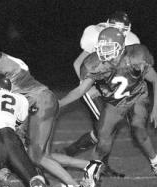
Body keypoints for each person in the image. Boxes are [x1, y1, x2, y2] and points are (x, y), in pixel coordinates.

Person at [0, 37, 104, 187]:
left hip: (39, 103)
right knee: (40, 155)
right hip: (35, 103)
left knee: (36, 155)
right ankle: (88, 166)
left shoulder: (1, 66)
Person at [58, 27, 157, 177]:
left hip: (137, 97)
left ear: (120, 47)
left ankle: (155, 162)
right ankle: (92, 174)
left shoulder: (135, 57)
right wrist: (59, 103)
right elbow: (80, 90)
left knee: (138, 129)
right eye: (102, 47)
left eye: (108, 47)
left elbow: (155, 79)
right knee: (103, 137)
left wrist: (156, 108)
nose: (104, 51)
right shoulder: (97, 63)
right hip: (116, 103)